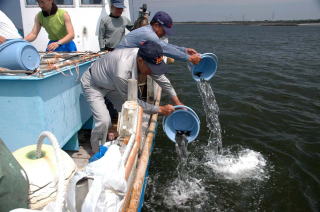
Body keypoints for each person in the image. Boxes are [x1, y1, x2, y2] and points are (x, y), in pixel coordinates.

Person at [81, 41, 181, 153]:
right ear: (140, 61)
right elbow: (133, 101)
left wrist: (177, 102)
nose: (153, 72)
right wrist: (159, 109)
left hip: (112, 84)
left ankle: (118, 137)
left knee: (129, 115)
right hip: (94, 84)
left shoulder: (146, 58)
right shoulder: (122, 70)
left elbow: (162, 80)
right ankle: (96, 152)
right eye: (152, 68)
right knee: (104, 121)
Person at [117, 11, 201, 64]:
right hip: (119, 61)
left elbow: (165, 45)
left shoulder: (148, 30)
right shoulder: (148, 34)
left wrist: (184, 50)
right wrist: (189, 58)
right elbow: (164, 48)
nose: (165, 34)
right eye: (164, 31)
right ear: (156, 25)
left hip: (124, 59)